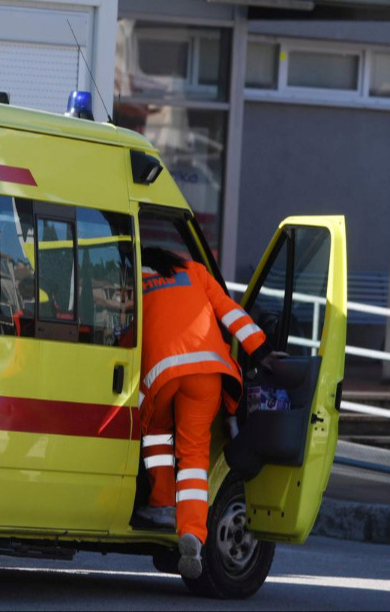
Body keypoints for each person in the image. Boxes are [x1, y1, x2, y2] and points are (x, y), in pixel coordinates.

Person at [135, 247, 274, 580]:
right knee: (194, 455)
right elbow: (231, 313)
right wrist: (263, 352)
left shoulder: (136, 279)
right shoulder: (195, 271)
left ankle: (161, 505)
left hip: (162, 372)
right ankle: (193, 534)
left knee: (155, 433)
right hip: (208, 371)